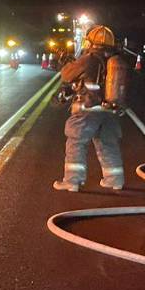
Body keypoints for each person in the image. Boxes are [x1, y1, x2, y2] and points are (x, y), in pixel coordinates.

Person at [53, 24, 126, 192]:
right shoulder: (114, 60)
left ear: (91, 42)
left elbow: (67, 75)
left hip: (88, 110)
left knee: (76, 143)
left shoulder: (89, 58)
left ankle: (72, 181)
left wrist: (67, 62)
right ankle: (115, 180)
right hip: (109, 111)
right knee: (108, 144)